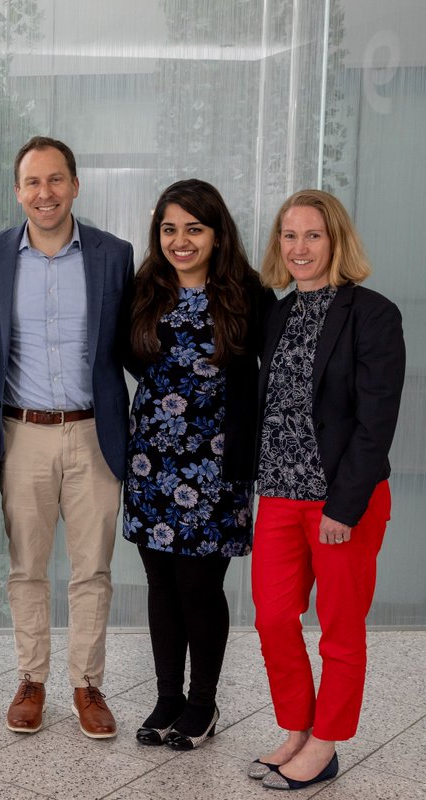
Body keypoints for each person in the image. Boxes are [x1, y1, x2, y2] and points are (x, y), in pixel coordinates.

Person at [0, 135, 134, 738]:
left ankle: (87, 685)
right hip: (23, 432)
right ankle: (31, 679)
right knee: (27, 567)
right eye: (33, 182)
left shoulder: (114, 255)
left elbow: (134, 341)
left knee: (93, 569)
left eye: (56, 180)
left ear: (75, 185)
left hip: (95, 432)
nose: (45, 193)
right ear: (18, 192)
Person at [249, 190, 404, 790]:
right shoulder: (278, 313)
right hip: (280, 497)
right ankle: (296, 727)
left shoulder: (373, 312)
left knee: (340, 629)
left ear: (336, 240)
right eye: (289, 236)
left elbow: (377, 420)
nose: (299, 248)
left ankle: (328, 742)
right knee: (271, 619)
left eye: (312, 235)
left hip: (343, 501)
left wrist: (345, 504)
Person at [123, 179, 273, 750]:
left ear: (217, 233)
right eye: (169, 229)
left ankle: (203, 704)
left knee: (198, 587)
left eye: (194, 228)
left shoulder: (247, 294)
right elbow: (127, 355)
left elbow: (269, 372)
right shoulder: (144, 289)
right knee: (160, 583)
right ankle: (167, 698)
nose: (180, 240)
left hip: (216, 467)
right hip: (153, 463)